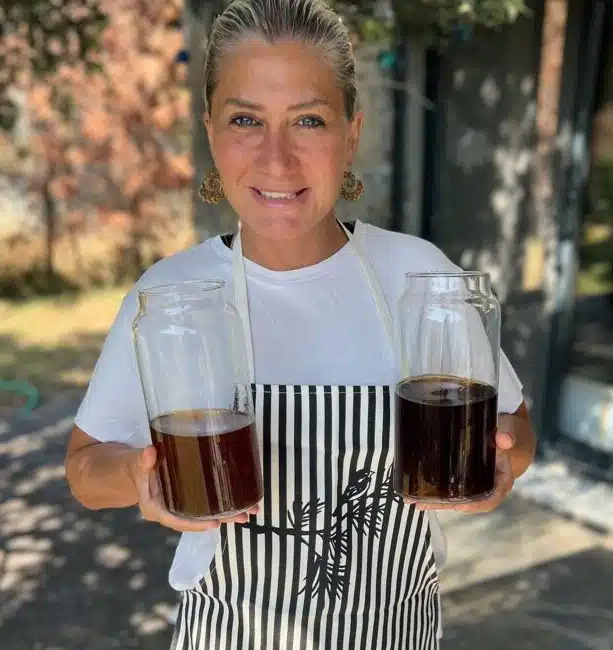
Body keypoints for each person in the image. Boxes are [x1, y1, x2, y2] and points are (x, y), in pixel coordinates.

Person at [64, 0, 537, 648]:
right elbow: (85, 470)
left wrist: (503, 464)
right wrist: (136, 477)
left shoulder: (419, 276)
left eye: (308, 120)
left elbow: (514, 428)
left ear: (351, 133)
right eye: (245, 120)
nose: (277, 159)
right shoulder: (170, 296)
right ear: (210, 131)